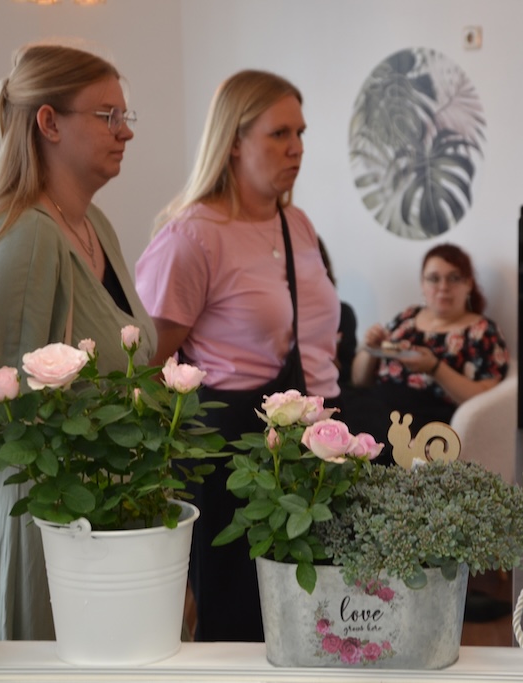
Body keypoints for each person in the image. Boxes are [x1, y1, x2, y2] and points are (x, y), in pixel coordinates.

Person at [135, 70, 340, 642]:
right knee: (239, 620)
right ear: (233, 141)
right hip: (235, 449)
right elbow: (147, 367)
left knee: (314, 616)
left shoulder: (296, 223)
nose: (296, 148)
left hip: (318, 440)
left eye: (300, 133)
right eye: (279, 133)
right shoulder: (191, 237)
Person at [0, 43, 156, 641]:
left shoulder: (94, 224)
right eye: (108, 116)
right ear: (49, 122)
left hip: (105, 516)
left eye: (126, 115)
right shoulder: (25, 237)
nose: (125, 131)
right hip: (52, 529)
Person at [348, 243, 509, 463]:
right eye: (433, 278)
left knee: (364, 422)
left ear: (469, 284)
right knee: (344, 400)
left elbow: (485, 398)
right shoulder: (408, 316)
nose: (443, 287)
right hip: (375, 403)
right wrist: (372, 350)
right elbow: (359, 380)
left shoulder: (483, 331)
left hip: (425, 417)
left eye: (454, 278)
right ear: (422, 284)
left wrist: (435, 368)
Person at [318, 237, 358, 388]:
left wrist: (333, 363)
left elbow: (350, 373)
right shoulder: (279, 318)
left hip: (332, 389)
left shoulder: (343, 314)